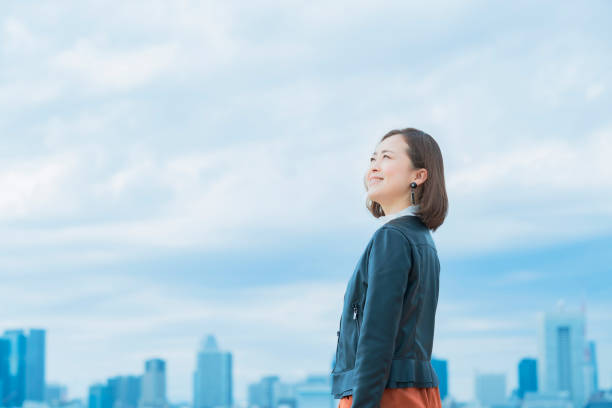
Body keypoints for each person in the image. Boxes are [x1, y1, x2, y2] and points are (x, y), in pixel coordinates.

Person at [331, 127, 448, 408]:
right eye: (372, 159)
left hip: (382, 394)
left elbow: (377, 338)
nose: (374, 167)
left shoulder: (392, 237)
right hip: (417, 392)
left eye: (386, 157)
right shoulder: (421, 239)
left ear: (418, 176)